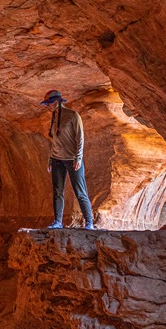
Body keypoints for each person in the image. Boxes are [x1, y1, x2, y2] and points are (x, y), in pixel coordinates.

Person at [40, 90, 95, 230]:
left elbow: (80, 137)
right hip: (57, 159)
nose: (48, 106)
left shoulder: (72, 115)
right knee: (58, 190)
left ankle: (89, 222)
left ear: (58, 101)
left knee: (80, 191)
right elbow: (55, 140)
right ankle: (57, 221)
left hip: (72, 159)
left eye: (50, 103)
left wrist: (78, 157)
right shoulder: (54, 116)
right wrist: (50, 159)